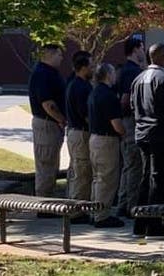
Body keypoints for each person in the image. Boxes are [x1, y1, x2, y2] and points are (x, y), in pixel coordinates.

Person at [130, 44, 164, 237]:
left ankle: (140, 225)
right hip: (161, 134)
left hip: (142, 132)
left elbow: (133, 106)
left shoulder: (138, 78)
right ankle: (155, 223)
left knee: (145, 179)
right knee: (160, 179)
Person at [88, 64, 126, 228]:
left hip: (94, 137)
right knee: (107, 178)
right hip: (107, 140)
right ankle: (102, 216)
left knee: (97, 178)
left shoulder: (94, 92)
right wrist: (124, 133)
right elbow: (116, 123)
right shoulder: (109, 95)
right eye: (113, 72)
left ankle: (94, 211)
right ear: (108, 75)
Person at [28, 44, 67, 203]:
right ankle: (43, 205)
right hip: (47, 124)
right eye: (59, 55)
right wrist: (61, 119)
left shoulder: (49, 73)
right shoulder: (42, 74)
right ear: (49, 55)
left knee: (51, 165)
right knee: (46, 165)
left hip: (51, 124)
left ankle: (48, 201)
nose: (61, 58)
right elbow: (47, 104)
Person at [117, 37, 145, 217]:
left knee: (128, 165)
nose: (144, 51)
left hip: (126, 121)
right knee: (134, 164)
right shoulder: (132, 72)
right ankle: (131, 205)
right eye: (142, 47)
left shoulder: (124, 70)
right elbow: (125, 100)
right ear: (135, 49)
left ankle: (123, 202)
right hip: (131, 122)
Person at [65, 51, 94, 219]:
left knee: (77, 170)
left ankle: (76, 205)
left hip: (74, 132)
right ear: (83, 68)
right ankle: (77, 211)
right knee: (82, 172)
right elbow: (86, 115)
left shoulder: (73, 84)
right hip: (81, 133)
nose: (93, 69)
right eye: (91, 66)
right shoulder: (81, 88)